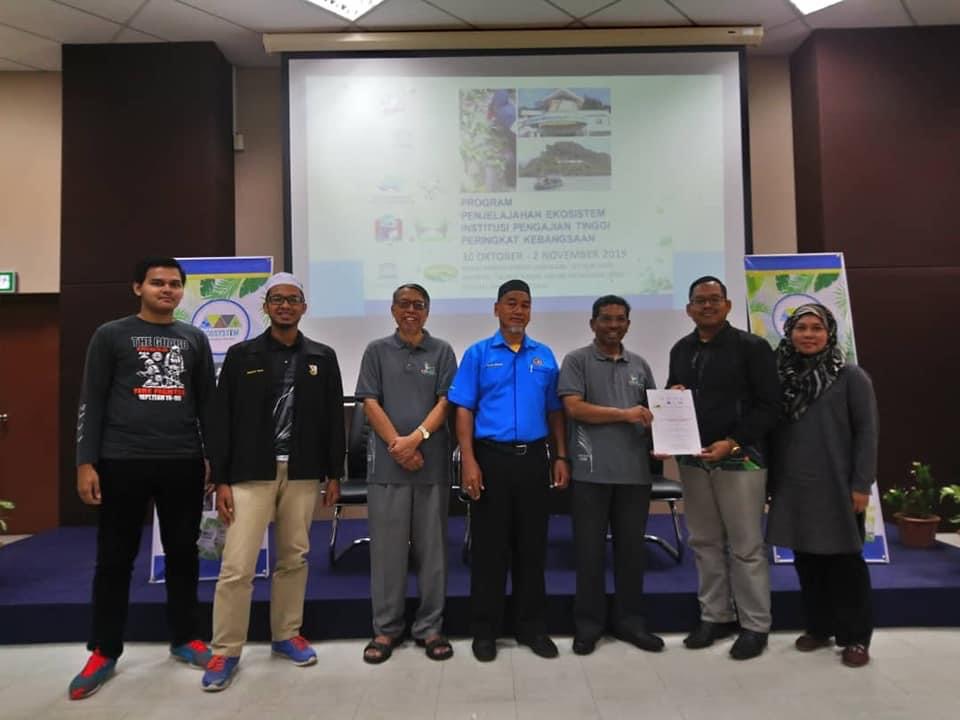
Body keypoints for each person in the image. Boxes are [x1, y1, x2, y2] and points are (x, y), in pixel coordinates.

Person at [70, 256, 216, 700]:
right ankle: (104, 650)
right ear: (138, 287)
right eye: (157, 283)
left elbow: (207, 404)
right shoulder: (110, 334)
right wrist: (86, 462)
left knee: (183, 555)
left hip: (182, 460)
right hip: (121, 460)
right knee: (114, 560)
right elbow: (91, 400)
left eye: (174, 284)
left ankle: (186, 638)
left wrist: (213, 458)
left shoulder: (194, 338)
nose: (166, 290)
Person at [201, 272, 344, 691]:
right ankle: (225, 650)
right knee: (237, 565)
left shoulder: (322, 357)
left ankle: (286, 634)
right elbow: (222, 419)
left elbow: (333, 419)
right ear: (265, 306)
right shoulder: (242, 355)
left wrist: (334, 473)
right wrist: (221, 479)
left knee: (294, 557)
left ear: (304, 307)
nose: (285, 306)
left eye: (293, 299)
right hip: (250, 473)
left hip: (302, 472)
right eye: (277, 299)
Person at [448, 279, 570, 662]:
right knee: (489, 549)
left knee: (532, 548)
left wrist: (561, 456)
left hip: (534, 459)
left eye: (525, 304)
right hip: (491, 459)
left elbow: (555, 411)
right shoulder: (478, 354)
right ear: (496, 308)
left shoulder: (544, 356)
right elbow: (464, 409)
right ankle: (485, 631)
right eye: (511, 303)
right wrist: (468, 460)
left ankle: (531, 627)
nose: (518, 310)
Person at [666, 275, 780, 660]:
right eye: (700, 300)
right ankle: (715, 615)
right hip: (695, 460)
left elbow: (769, 407)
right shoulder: (681, 349)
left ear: (728, 305)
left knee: (746, 546)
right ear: (689, 309)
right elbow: (673, 396)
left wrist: (732, 441)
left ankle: (755, 625)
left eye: (715, 299)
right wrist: (673, 398)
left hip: (740, 459)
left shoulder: (753, 348)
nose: (707, 306)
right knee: (704, 541)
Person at [766, 303, 877, 668]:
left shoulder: (851, 377)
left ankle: (856, 637)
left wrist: (861, 484)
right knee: (807, 560)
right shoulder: (780, 377)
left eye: (817, 328)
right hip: (794, 484)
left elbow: (867, 434)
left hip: (838, 485)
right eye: (801, 328)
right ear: (789, 333)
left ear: (829, 333)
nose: (809, 335)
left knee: (846, 563)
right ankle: (819, 627)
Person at [355, 283, 458, 664]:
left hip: (431, 466)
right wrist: (398, 446)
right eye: (404, 304)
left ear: (427, 311)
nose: (411, 310)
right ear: (393, 309)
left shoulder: (442, 351)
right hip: (387, 467)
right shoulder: (376, 351)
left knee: (433, 553)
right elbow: (369, 402)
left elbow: (446, 403)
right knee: (387, 553)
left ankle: (430, 628)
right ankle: (386, 629)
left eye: (418, 305)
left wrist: (416, 440)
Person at [559, 295, 664, 656]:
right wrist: (625, 414)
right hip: (590, 473)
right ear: (593, 324)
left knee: (631, 554)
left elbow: (651, 413)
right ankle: (588, 626)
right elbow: (574, 408)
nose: (613, 325)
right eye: (606, 319)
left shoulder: (640, 364)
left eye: (620, 319)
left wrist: (665, 428)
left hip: (634, 474)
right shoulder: (577, 361)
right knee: (588, 554)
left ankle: (630, 622)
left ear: (628, 325)